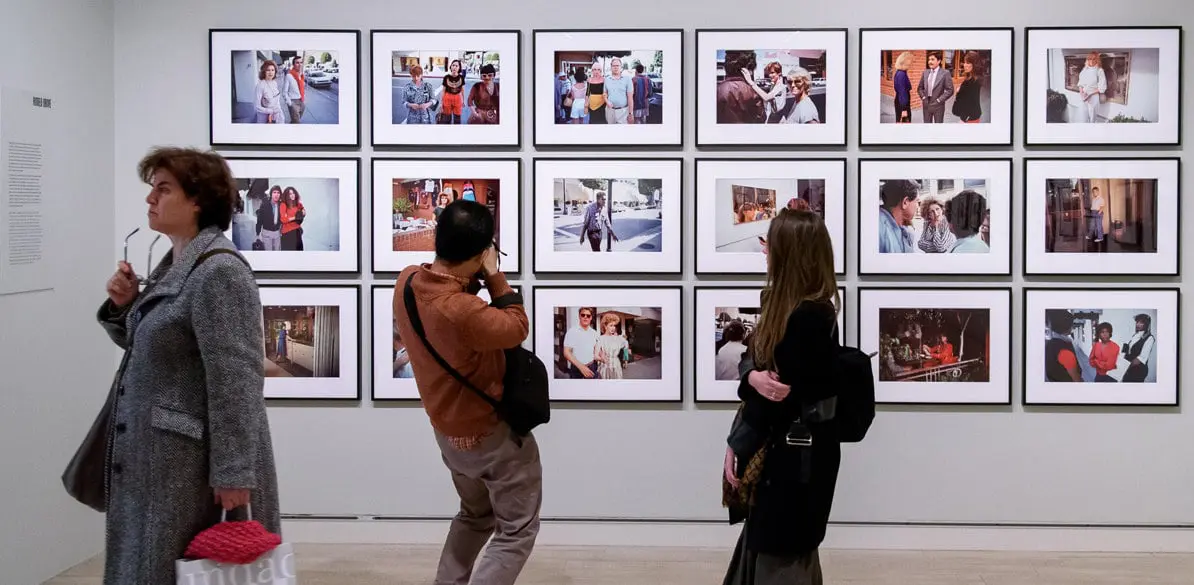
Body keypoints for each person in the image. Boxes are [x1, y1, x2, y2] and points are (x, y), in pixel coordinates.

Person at [96, 146, 281, 584]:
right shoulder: (176, 265)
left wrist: (234, 472)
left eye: (163, 189)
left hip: (188, 467)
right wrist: (125, 307)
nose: (150, 199)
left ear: (198, 200)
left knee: (175, 569)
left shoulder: (219, 271)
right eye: (152, 189)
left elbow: (236, 379)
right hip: (158, 459)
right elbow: (152, 347)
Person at [391, 199, 541, 585]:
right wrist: (493, 272)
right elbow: (516, 325)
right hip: (489, 435)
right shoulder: (464, 312)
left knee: (474, 515)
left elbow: (452, 294)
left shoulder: (406, 281)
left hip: (447, 433)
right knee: (516, 531)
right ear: (479, 251)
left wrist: (474, 266)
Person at [722, 208, 843, 585]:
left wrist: (737, 446)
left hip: (793, 460)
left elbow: (778, 397)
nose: (765, 253)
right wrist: (753, 378)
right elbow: (754, 365)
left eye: (771, 246)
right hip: (795, 456)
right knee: (781, 549)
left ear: (790, 253)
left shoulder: (806, 316)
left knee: (782, 554)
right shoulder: (796, 307)